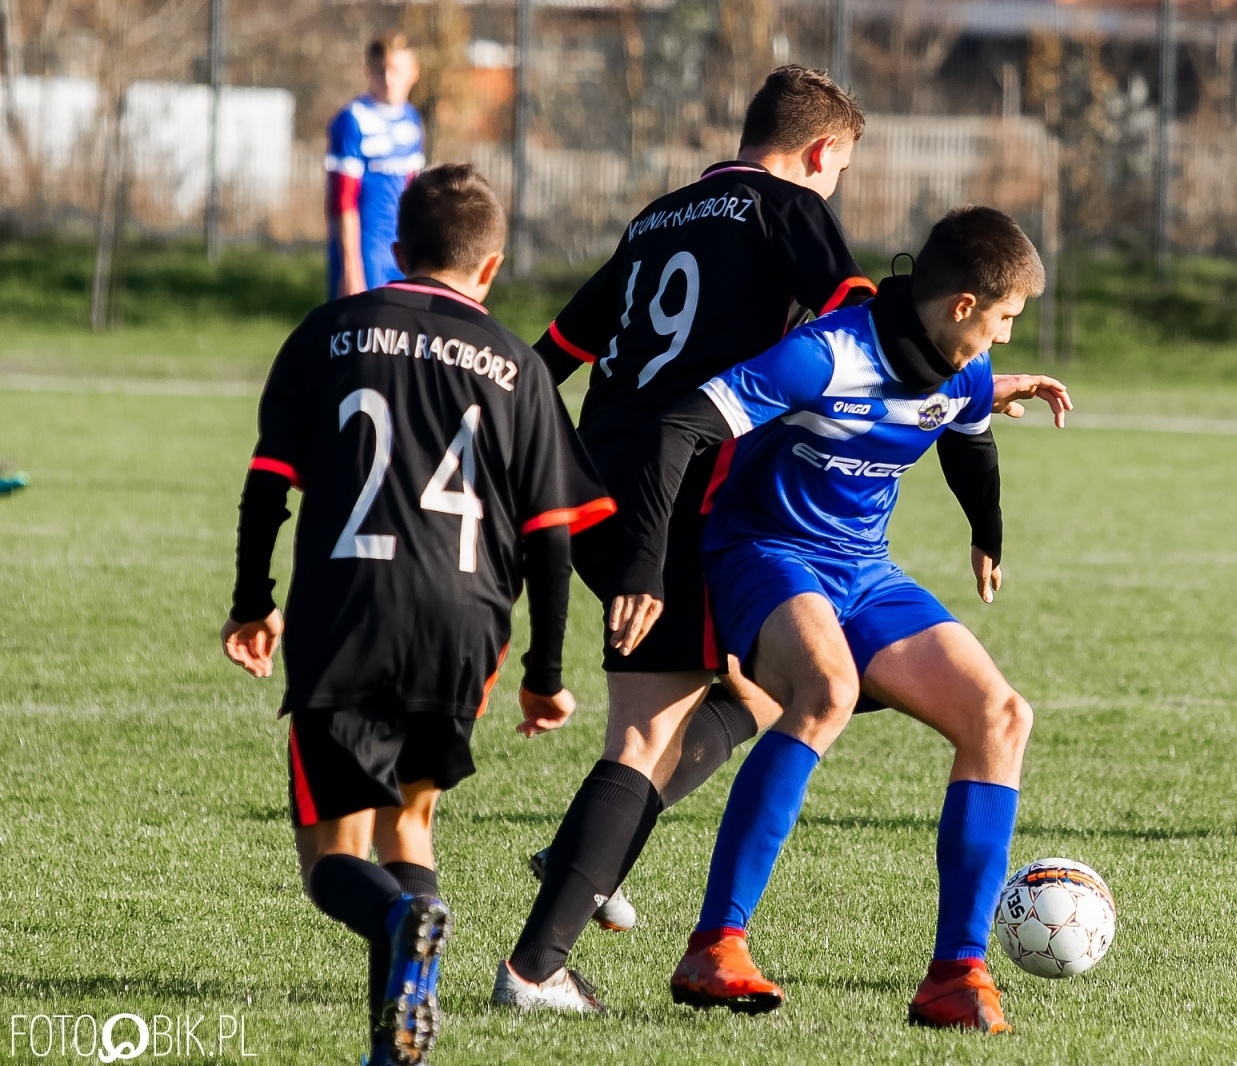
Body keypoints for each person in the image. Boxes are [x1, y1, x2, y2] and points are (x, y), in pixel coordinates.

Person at [607, 206, 1064, 1033]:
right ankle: (716, 944)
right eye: (1003, 321)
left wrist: (985, 533)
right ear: (962, 306)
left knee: (1001, 716)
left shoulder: (958, 374)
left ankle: (956, 975)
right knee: (826, 690)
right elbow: (678, 428)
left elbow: (966, 436)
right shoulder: (823, 355)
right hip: (762, 552)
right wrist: (641, 564)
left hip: (864, 569)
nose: (1002, 342)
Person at [490, 65, 880, 1014]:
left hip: (594, 490)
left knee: (751, 686)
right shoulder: (789, 205)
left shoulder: (656, 219)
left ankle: (597, 853)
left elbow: (547, 359)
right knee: (651, 731)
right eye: (840, 170)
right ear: (822, 151)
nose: (833, 187)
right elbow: (857, 327)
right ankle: (536, 965)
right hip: (682, 501)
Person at [222, 163, 613, 1065]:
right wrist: (545, 677)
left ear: (396, 252)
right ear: (491, 267)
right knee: (410, 824)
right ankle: (397, 1040)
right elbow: (553, 541)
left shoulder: (328, 334)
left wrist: (253, 604)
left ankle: (405, 919)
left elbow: (267, 486)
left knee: (331, 860)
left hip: (348, 615)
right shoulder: (518, 366)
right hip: (465, 627)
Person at [326, 31, 425, 300]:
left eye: (397, 70)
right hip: (365, 251)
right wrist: (350, 266)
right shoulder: (352, 120)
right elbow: (342, 200)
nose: (390, 80)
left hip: (404, 250)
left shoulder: (412, 120)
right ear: (368, 71)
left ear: (413, 72)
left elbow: (413, 190)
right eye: (381, 71)